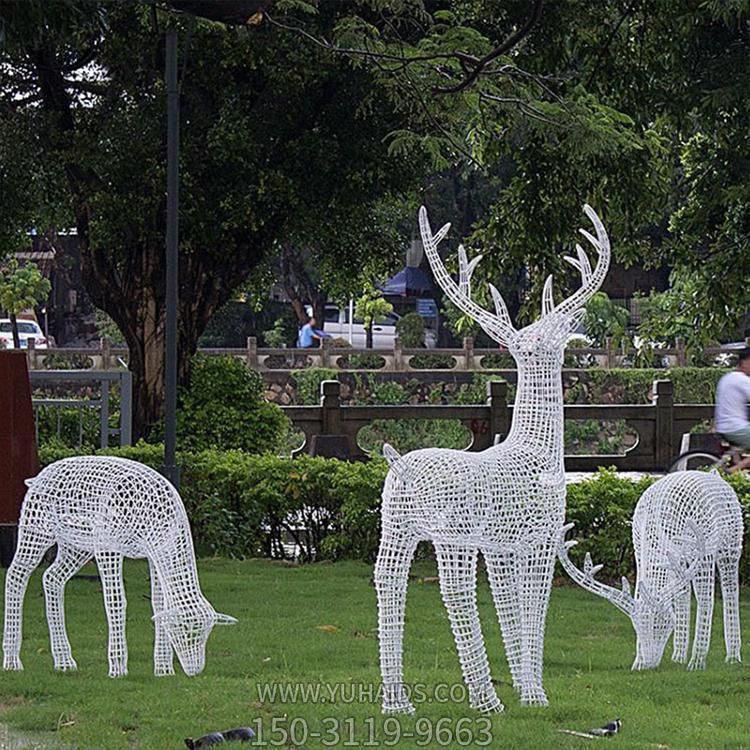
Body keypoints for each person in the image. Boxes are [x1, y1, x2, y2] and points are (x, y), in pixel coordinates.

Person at [715, 346, 750, 472]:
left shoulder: (727, 377)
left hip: (725, 426)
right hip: (735, 427)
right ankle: (733, 470)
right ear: (744, 362)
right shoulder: (741, 380)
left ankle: (737, 469)